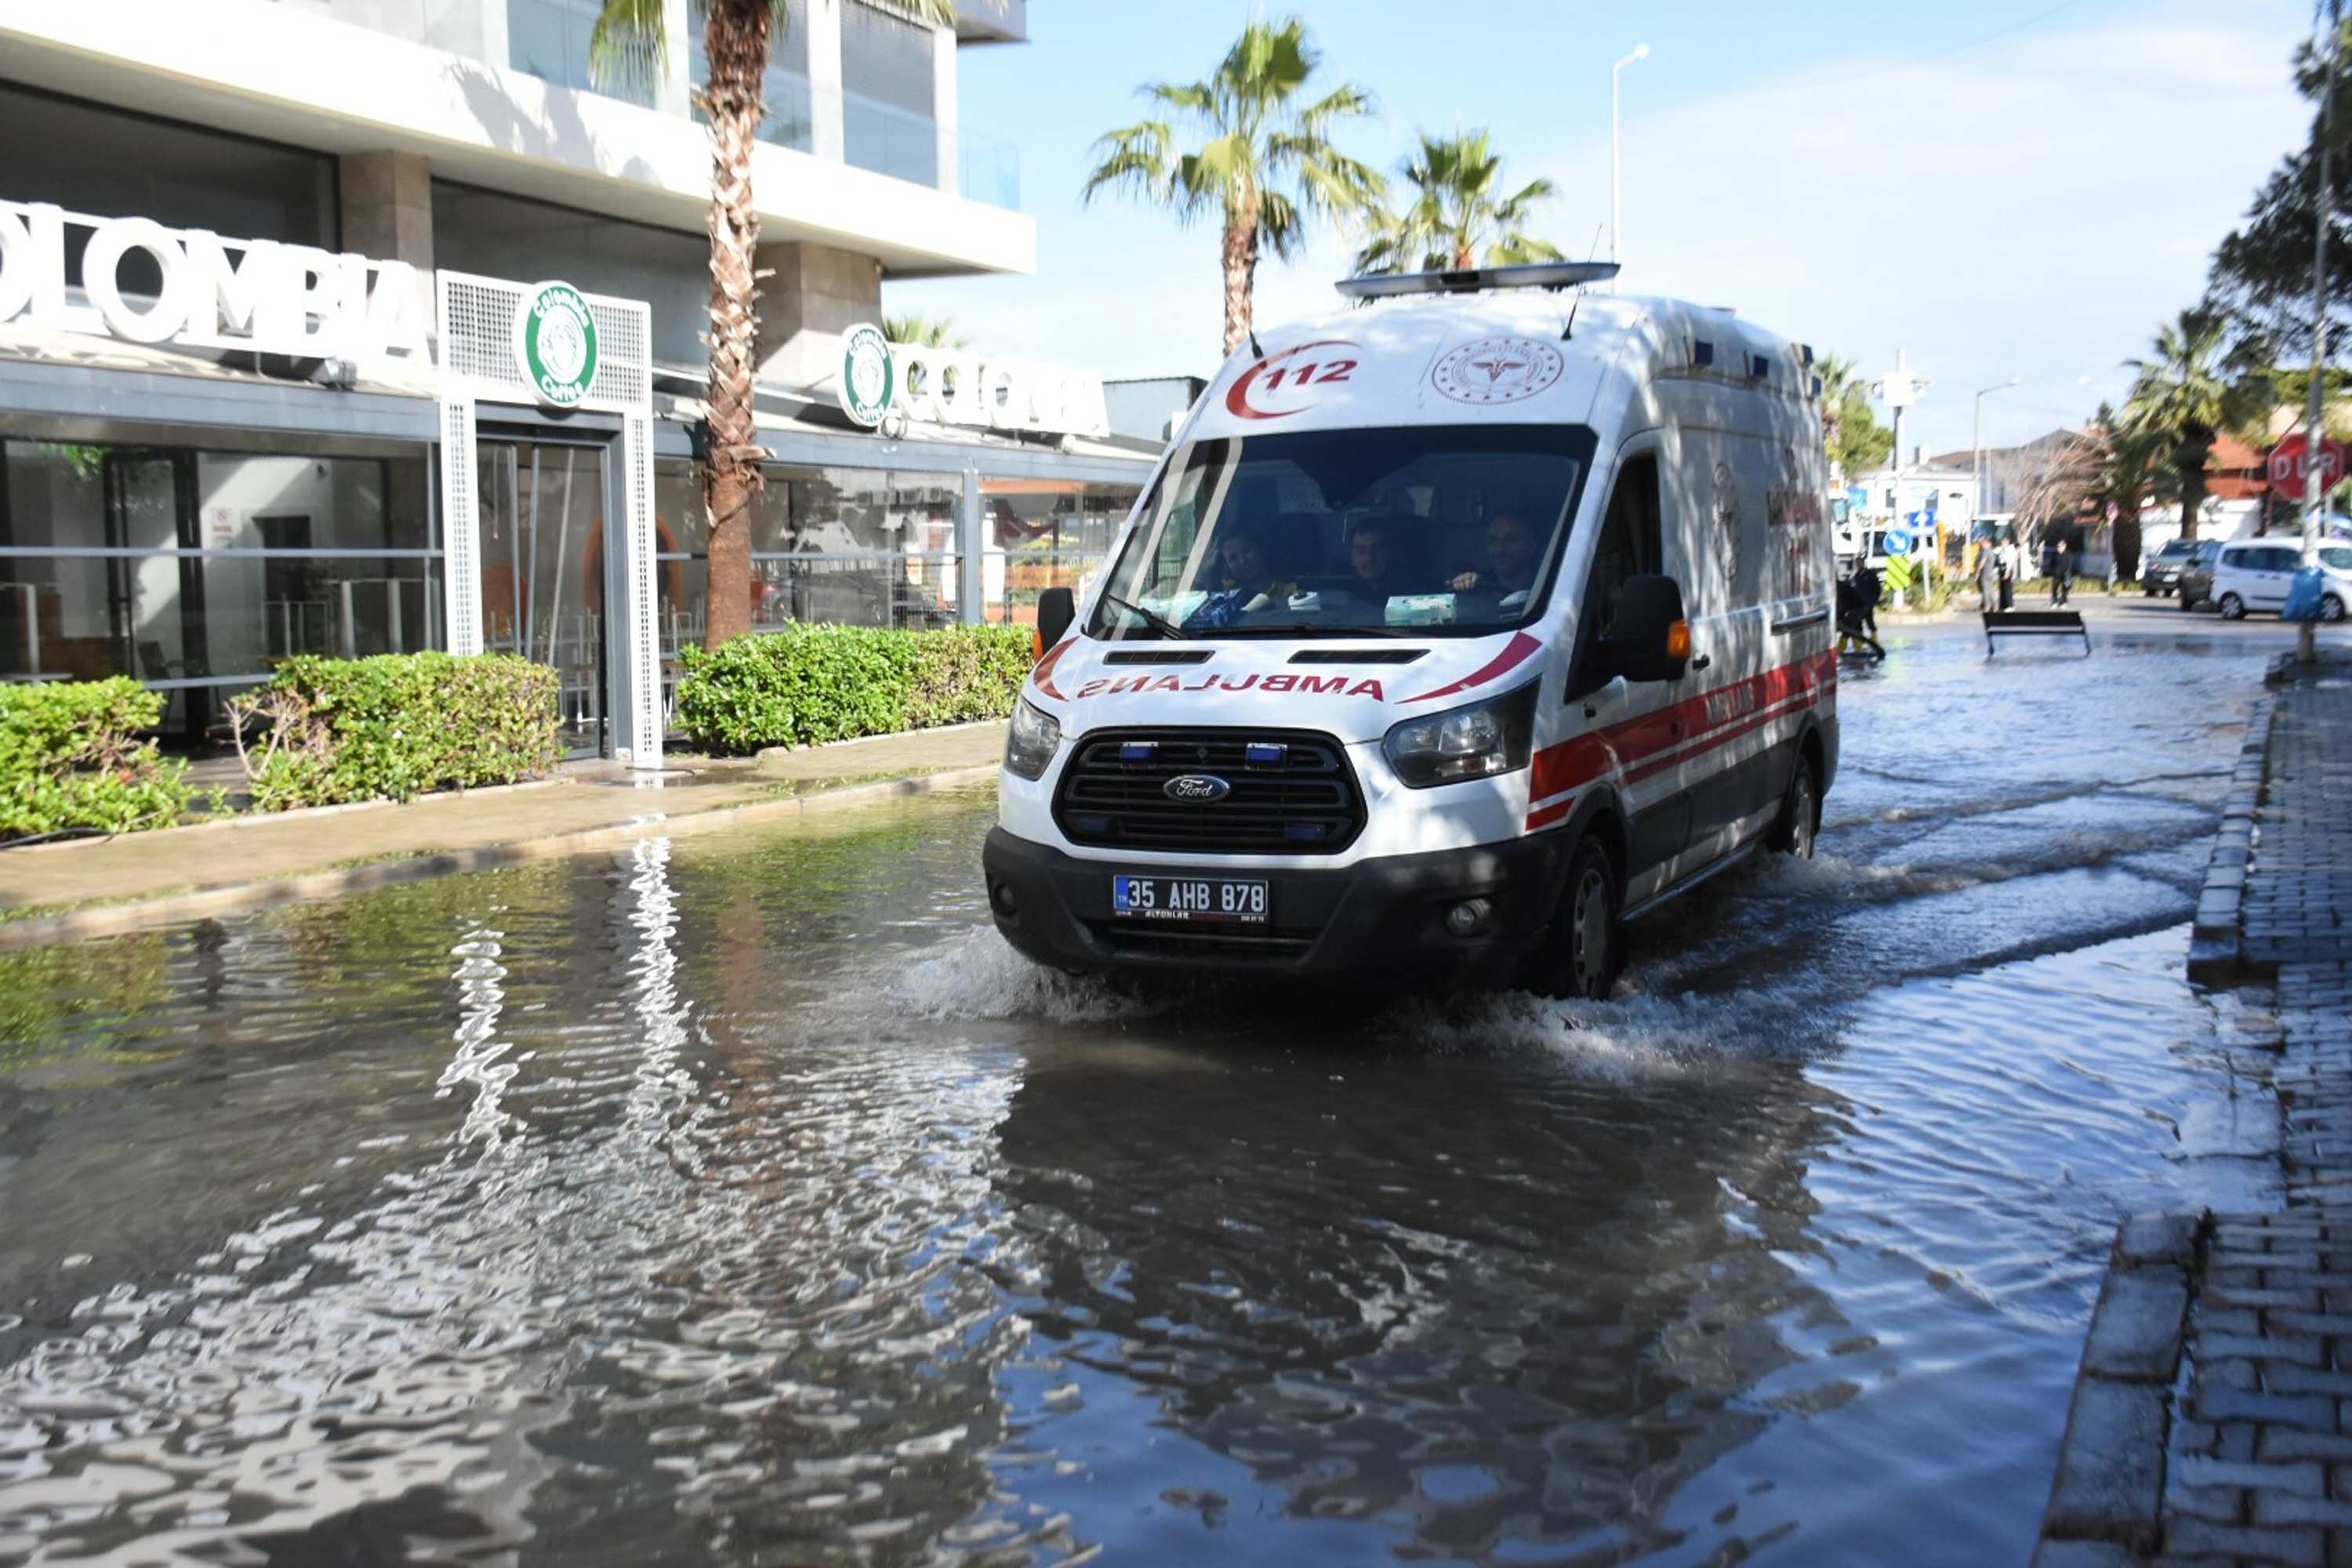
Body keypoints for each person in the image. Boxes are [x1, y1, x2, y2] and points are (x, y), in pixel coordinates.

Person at [1448, 511, 1541, 599]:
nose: (1500, 549)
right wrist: (1465, 586)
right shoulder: (1479, 585)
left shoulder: (1549, 588)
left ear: (1531, 546)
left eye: (1510, 540)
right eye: (1492, 541)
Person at [1210, 527, 1296, 610]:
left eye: (1246, 551)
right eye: (1233, 558)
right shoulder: (1225, 603)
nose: (1242, 561)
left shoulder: (1292, 590)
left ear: (1260, 549)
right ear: (1227, 566)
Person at [1837, 556, 1886, 660]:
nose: (1858, 565)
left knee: (1869, 623)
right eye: (1857, 563)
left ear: (1863, 563)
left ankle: (1872, 644)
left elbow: (1877, 588)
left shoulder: (1870, 575)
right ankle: (1858, 649)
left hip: (1867, 604)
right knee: (1856, 626)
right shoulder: (1857, 576)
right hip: (1859, 603)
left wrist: (1874, 601)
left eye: (1860, 563)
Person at [2049, 535, 2074, 607]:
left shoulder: (2068, 555)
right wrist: (2053, 571)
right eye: (2058, 546)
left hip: (2065, 575)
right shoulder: (2055, 555)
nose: (2059, 548)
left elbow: (2070, 565)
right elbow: (2051, 564)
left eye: (2060, 546)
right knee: (2054, 589)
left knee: (2065, 590)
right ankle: (2055, 602)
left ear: (2064, 546)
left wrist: (2068, 573)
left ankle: (2063, 602)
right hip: (2056, 574)